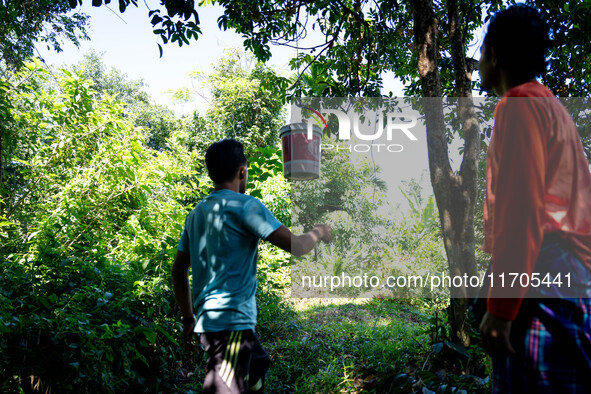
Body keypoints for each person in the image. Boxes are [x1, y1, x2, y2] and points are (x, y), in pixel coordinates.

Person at [477, 4, 591, 393]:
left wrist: (501, 308)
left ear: (494, 55)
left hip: (543, 274)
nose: (479, 60)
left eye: (481, 51)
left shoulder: (518, 105)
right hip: (572, 275)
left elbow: (522, 213)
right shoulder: (553, 107)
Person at [171, 138, 332, 393]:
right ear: (242, 171)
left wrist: (188, 318)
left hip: (212, 321)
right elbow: (299, 246)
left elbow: (179, 271)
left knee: (258, 361)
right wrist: (318, 232)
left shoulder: (196, 214)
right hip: (230, 323)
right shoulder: (247, 206)